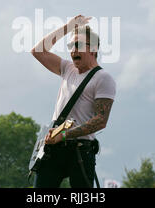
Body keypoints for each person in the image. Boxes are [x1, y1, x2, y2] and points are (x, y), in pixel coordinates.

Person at [30, 14, 117, 188]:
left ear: (92, 48)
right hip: (53, 149)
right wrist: (68, 27)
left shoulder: (103, 78)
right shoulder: (67, 68)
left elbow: (101, 120)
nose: (72, 50)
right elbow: (37, 51)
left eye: (77, 45)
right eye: (70, 45)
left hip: (80, 150)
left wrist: (64, 135)